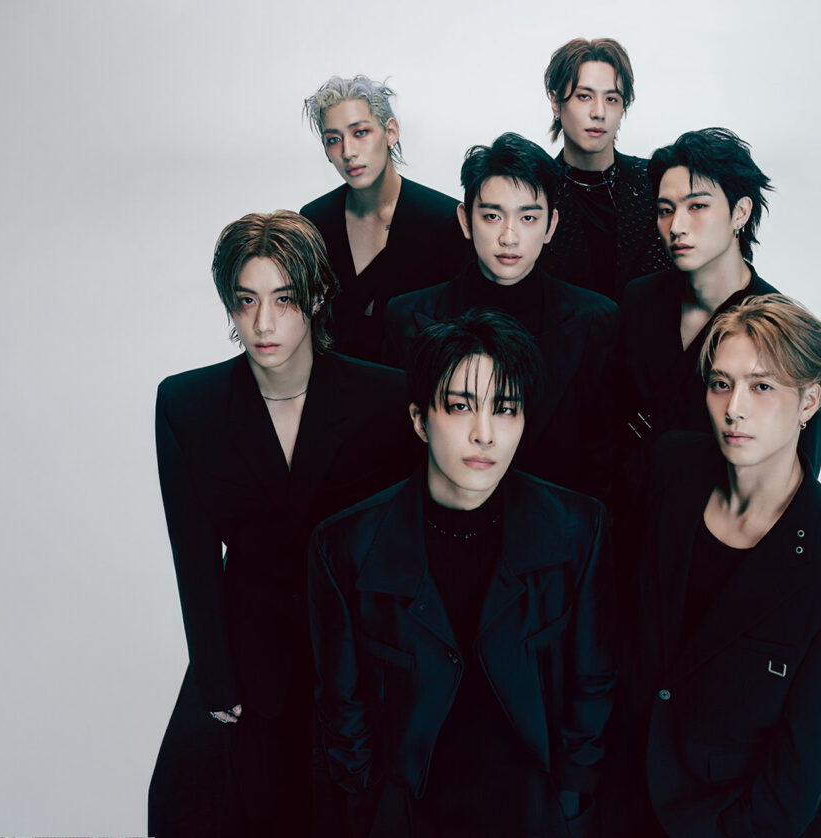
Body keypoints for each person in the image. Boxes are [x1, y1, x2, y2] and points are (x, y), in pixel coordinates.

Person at [148, 211, 417, 837]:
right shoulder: (187, 404)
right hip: (250, 654)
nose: (263, 323)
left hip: (354, 650)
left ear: (316, 298)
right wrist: (216, 677)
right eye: (246, 301)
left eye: (284, 299)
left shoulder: (384, 397)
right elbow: (193, 556)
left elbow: (401, 545)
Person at [309, 310, 614, 837]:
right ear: (419, 420)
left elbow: (592, 681)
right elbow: (343, 703)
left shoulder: (577, 528)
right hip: (410, 812)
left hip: (535, 810)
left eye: (506, 409)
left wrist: (569, 801)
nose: (484, 434)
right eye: (460, 406)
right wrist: (369, 804)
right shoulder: (345, 546)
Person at [629, 295, 821, 837]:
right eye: (721, 383)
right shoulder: (671, 468)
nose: (734, 408)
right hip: (653, 786)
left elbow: (789, 790)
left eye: (762, 387)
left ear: (809, 401)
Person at [383, 132, 620, 496]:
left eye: (528, 217)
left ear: (551, 226)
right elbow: (399, 451)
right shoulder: (407, 318)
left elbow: (605, 458)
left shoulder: (597, 320)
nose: (509, 237)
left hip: (559, 522)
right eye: (492, 216)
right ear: (466, 220)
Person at [620, 127, 821, 477]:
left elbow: (798, 475)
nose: (676, 226)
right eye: (665, 210)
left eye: (697, 206)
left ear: (740, 213)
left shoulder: (783, 328)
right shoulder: (639, 297)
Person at [300, 75, 472, 363]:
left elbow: (462, 334)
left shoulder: (443, 220)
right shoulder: (315, 221)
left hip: (414, 386)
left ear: (390, 132)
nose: (348, 152)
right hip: (332, 384)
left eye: (360, 132)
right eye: (334, 140)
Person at [535, 37, 670, 300]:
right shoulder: (538, 191)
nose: (599, 112)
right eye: (584, 96)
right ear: (555, 101)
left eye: (611, 99)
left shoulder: (654, 181)